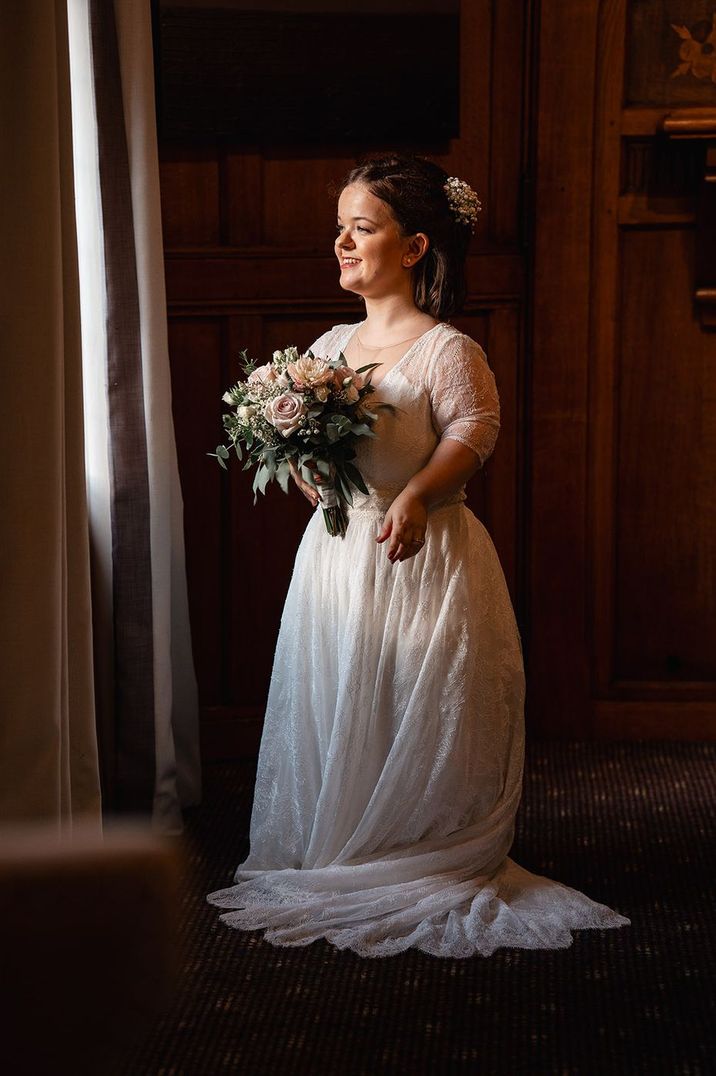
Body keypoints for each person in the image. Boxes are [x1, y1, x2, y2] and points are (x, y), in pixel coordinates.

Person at [206, 153, 630, 958]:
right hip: (339, 558)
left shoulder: (447, 349)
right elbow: (328, 465)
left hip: (423, 553)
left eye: (361, 228)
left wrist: (416, 495)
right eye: (339, 228)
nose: (341, 242)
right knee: (338, 689)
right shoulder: (332, 342)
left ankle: (416, 840)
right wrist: (303, 461)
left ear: (413, 247)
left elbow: (477, 429)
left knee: (413, 696)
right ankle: (345, 835)